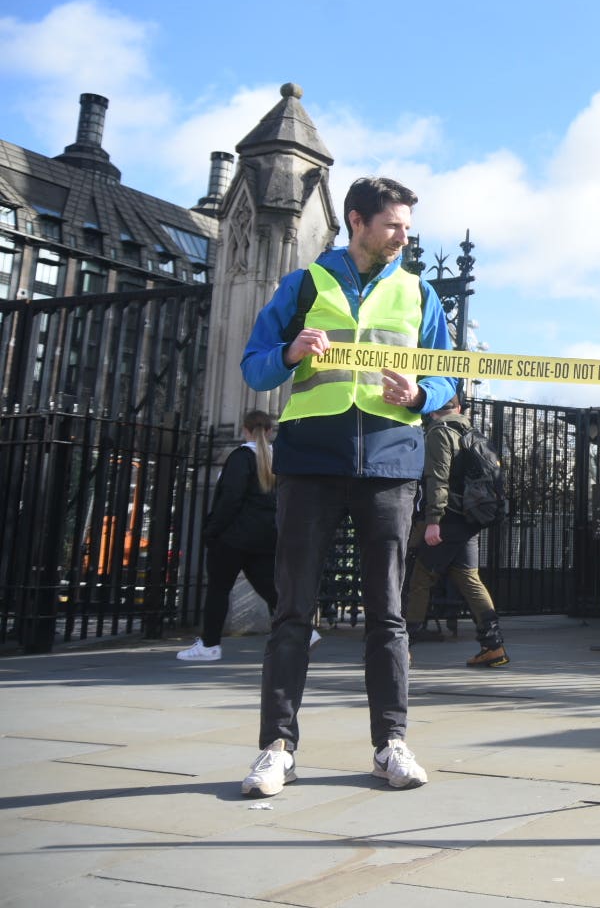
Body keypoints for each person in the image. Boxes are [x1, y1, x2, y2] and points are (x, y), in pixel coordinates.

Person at [237, 176, 455, 798]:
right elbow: (254, 362)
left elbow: (447, 376)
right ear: (356, 222)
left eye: (408, 227)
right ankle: (276, 749)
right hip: (309, 465)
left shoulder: (419, 292)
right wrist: (287, 353)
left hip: (390, 466)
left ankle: (391, 744)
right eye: (394, 225)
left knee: (387, 614)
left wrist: (419, 393)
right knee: (292, 612)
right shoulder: (303, 284)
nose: (404, 236)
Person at [405, 389, 509, 668]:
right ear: (459, 407)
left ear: (432, 408)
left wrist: (433, 521)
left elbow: (436, 478)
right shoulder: (474, 434)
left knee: (419, 578)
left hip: (448, 518)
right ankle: (493, 646)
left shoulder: (440, 433)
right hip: (469, 519)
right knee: (468, 577)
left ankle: (401, 647)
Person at [179, 411, 280, 662]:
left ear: (244, 430)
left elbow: (231, 498)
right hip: (266, 536)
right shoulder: (278, 460)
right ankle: (304, 631)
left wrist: (212, 530)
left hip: (233, 537)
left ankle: (210, 645)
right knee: (271, 588)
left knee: (218, 590)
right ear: (269, 431)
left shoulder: (241, 458)